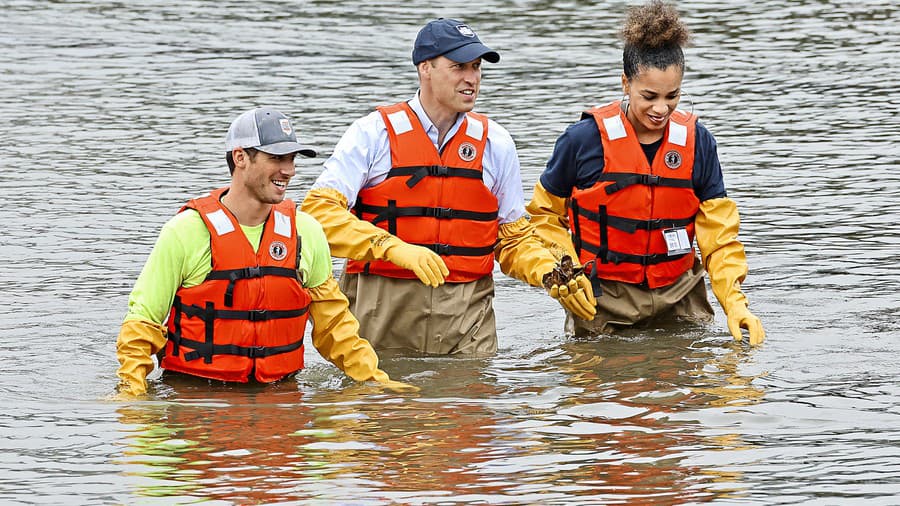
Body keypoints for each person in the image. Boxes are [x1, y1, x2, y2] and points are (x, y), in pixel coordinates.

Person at [300, 18, 596, 355]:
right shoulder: (372, 134)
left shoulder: (496, 143)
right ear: (425, 68)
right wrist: (392, 246)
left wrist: (547, 270)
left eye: (476, 67)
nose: (472, 78)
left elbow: (512, 236)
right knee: (381, 406)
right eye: (458, 67)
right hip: (381, 315)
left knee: (470, 403)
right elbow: (316, 215)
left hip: (467, 322)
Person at [115, 107, 410, 397]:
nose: (289, 170)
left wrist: (375, 384)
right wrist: (132, 396)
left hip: (282, 395)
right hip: (196, 397)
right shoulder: (185, 232)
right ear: (240, 157)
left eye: (292, 159)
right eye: (277, 158)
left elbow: (335, 327)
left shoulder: (306, 231)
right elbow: (143, 323)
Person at [526, 0, 765, 344]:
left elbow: (719, 237)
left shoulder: (699, 144)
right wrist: (567, 271)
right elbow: (544, 217)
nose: (661, 108)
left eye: (673, 96)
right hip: (603, 300)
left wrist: (735, 303)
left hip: (681, 296)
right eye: (649, 95)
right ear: (625, 83)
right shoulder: (581, 141)